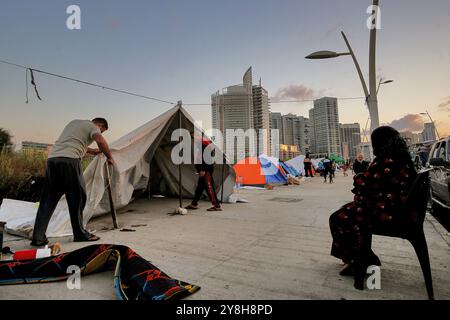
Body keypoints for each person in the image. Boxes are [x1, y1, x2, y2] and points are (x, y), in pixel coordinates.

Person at [329, 126, 417, 284]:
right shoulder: (401, 158)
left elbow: (365, 183)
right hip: (396, 209)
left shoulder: (386, 160)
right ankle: (363, 257)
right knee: (345, 211)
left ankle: (359, 260)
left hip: (388, 213)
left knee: (338, 218)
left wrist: (358, 177)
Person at [31, 118, 114, 246]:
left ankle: (38, 237)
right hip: (69, 161)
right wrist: (109, 157)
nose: (100, 133)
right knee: (77, 197)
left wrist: (93, 151)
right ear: (100, 125)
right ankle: (80, 234)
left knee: (48, 200)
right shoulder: (93, 126)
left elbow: (74, 143)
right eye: (102, 131)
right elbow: (100, 140)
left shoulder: (74, 123)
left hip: (53, 160)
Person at [186, 131, 222, 211]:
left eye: (194, 137)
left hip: (206, 171)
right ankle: (194, 203)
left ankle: (217, 205)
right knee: (199, 188)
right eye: (192, 137)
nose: (193, 139)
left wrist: (203, 169)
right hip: (203, 170)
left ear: (199, 136)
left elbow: (207, 158)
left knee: (209, 188)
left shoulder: (204, 144)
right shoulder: (201, 144)